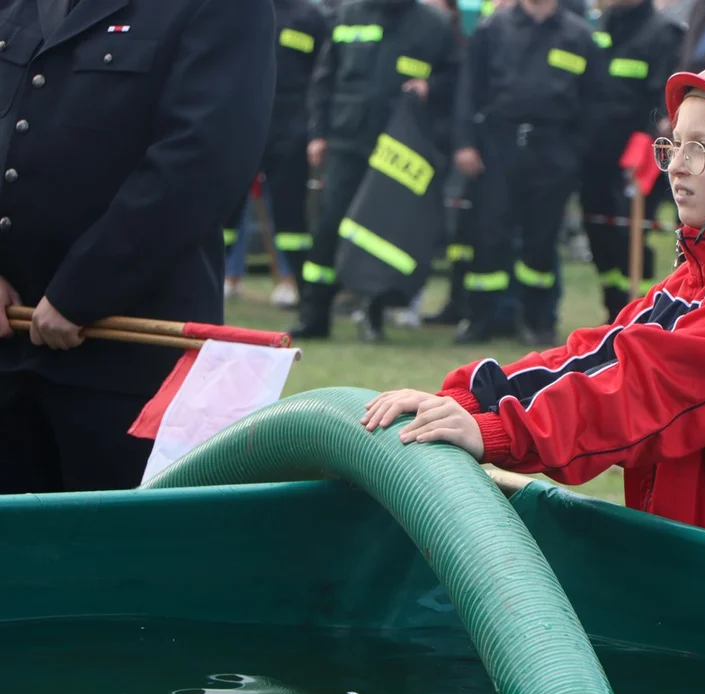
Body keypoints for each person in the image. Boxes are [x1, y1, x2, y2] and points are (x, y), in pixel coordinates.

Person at [360, 40, 705, 566]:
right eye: (674, 145)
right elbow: (599, 355)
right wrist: (470, 401)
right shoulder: (698, 275)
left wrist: (500, 430)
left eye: (702, 149)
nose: (677, 166)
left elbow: (642, 391)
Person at [0, 0, 276, 492]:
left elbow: (201, 163)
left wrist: (81, 291)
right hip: (7, 345)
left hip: (126, 361)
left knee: (114, 557)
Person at [290, 0, 461, 339]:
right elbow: (324, 79)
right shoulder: (348, 15)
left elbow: (456, 77)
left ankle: (372, 313)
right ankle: (314, 314)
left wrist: (432, 87)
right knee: (328, 229)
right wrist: (318, 134)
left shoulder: (434, 24)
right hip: (347, 142)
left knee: (382, 237)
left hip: (398, 150)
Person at [450, 0, 605, 346]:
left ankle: (537, 320)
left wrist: (574, 152)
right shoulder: (494, 28)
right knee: (488, 235)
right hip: (498, 145)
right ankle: (480, 318)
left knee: (541, 240)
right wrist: (465, 143)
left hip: (553, 149)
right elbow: (468, 90)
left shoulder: (579, 35)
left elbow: (595, 100)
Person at [580, 0, 684, 323]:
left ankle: (635, 312)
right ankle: (612, 309)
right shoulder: (598, 27)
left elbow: (664, 99)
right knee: (598, 232)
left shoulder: (664, 32)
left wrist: (648, 140)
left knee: (631, 236)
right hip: (593, 151)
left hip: (636, 153)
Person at [223, 0, 331, 308]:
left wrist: (314, 130)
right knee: (224, 208)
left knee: (290, 216)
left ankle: (295, 284)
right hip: (243, 124)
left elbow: (322, 78)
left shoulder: (311, 17)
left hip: (291, 130)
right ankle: (220, 275)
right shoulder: (242, 11)